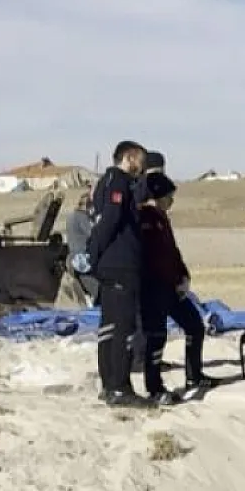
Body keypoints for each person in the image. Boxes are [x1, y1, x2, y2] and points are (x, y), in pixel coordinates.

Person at [136, 171, 211, 404]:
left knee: (195, 326)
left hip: (173, 287)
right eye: (169, 196)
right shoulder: (144, 218)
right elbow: (152, 257)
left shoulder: (162, 217)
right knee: (156, 337)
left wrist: (183, 275)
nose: (172, 201)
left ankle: (194, 376)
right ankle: (154, 387)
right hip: (153, 288)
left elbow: (172, 252)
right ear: (158, 195)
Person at [88, 140, 149, 407]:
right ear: (129, 157)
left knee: (109, 326)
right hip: (120, 265)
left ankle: (108, 384)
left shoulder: (106, 181)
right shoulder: (119, 181)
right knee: (123, 326)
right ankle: (120, 387)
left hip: (110, 265)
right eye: (141, 160)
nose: (143, 167)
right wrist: (94, 252)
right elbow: (110, 219)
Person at [65, 189, 98, 305]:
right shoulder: (82, 217)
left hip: (73, 257)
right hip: (83, 258)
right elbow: (93, 234)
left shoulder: (71, 216)